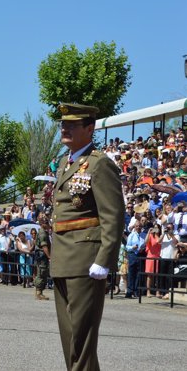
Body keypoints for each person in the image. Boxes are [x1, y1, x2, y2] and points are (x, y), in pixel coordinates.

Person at [50, 103, 124, 371]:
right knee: (70, 337)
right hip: (62, 258)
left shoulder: (100, 163)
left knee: (82, 339)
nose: (65, 128)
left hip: (85, 261)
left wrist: (104, 259)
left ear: (90, 128)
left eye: (72, 124)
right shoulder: (64, 162)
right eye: (63, 124)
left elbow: (113, 215)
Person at [125, 222, 145, 298]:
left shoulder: (144, 235)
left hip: (140, 255)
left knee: (138, 274)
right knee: (131, 273)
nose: (138, 227)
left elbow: (146, 245)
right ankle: (129, 291)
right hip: (132, 255)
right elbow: (127, 247)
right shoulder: (131, 235)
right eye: (137, 226)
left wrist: (143, 249)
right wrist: (132, 247)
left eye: (140, 226)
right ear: (135, 227)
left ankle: (136, 291)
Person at [34, 218, 51, 300]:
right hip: (42, 256)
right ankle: (39, 293)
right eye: (46, 223)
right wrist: (49, 256)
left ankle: (40, 292)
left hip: (42, 256)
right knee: (41, 273)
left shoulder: (43, 232)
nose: (48, 224)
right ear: (42, 224)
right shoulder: (42, 233)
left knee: (43, 273)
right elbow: (44, 246)